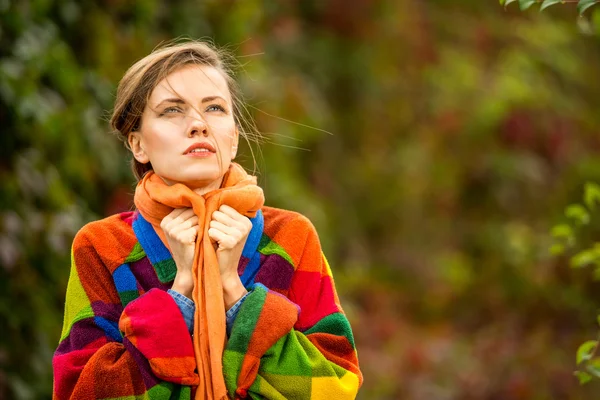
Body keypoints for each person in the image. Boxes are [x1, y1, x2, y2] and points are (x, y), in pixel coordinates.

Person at [52, 40, 362, 400]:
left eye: (214, 108)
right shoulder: (102, 247)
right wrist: (179, 295)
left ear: (233, 139)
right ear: (138, 145)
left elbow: (335, 387)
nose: (198, 124)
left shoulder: (290, 237)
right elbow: (80, 393)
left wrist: (235, 294)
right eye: (171, 110)